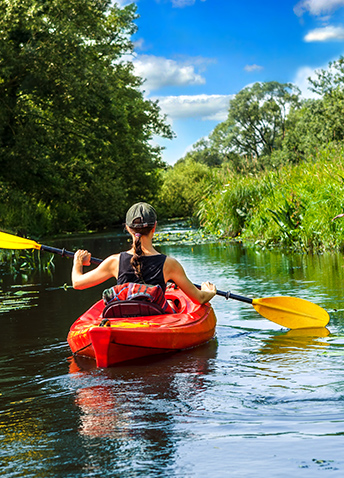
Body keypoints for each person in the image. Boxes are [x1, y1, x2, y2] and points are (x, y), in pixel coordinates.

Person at [72, 202, 217, 305]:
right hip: (156, 322)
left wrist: (78, 262)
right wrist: (209, 292)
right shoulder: (169, 264)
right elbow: (199, 298)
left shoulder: (114, 262)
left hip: (125, 321)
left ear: (128, 228)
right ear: (154, 227)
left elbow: (77, 283)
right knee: (172, 305)